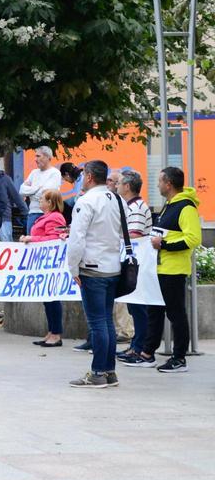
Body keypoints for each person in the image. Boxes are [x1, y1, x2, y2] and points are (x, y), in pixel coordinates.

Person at [62, 160, 125, 388]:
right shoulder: (115, 198)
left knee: (98, 323)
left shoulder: (85, 201)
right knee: (106, 321)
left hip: (92, 268)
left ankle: (98, 372)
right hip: (112, 266)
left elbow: (76, 239)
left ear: (89, 177)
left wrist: (73, 267)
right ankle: (109, 371)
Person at [141, 166, 200, 374]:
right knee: (154, 311)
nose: (157, 184)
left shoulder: (186, 207)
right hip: (161, 267)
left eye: (159, 181)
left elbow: (193, 238)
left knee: (176, 314)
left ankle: (179, 358)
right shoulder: (169, 205)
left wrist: (163, 244)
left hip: (174, 270)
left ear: (168, 184)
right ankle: (147, 353)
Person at [117, 170, 156, 368]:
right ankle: (135, 345)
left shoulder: (138, 207)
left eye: (120, 183)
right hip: (133, 261)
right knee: (133, 306)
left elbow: (134, 235)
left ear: (128, 186)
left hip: (138, 263)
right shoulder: (129, 206)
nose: (117, 185)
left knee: (139, 307)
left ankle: (140, 346)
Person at [20, 190, 68, 347]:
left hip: (51, 264)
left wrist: (32, 238)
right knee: (47, 300)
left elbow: (54, 238)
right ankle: (51, 331)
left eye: (42, 200)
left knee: (53, 299)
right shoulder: (46, 217)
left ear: (50, 202)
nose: (39, 202)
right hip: (43, 264)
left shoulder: (55, 217)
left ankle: (56, 333)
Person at [20, 147, 62, 233]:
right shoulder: (34, 172)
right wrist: (37, 188)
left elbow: (45, 195)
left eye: (38, 156)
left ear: (48, 157)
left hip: (47, 214)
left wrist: (30, 192)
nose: (35, 159)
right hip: (32, 213)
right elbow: (21, 190)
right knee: (30, 243)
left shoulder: (55, 173)